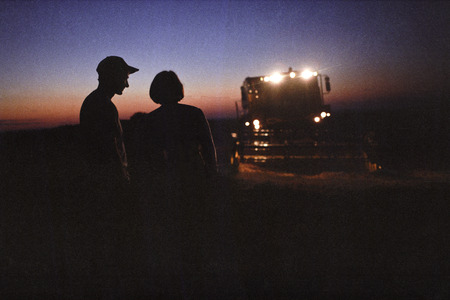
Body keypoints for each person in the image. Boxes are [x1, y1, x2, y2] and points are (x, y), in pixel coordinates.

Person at [133, 70, 218, 298]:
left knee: (174, 228)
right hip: (194, 174)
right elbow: (209, 149)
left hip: (167, 177)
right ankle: (198, 274)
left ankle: (179, 277)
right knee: (196, 225)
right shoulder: (194, 113)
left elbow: (146, 156)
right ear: (178, 89)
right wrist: (212, 176)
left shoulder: (151, 120)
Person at [76, 56, 139, 298]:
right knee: (112, 243)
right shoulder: (102, 105)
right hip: (107, 186)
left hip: (102, 183)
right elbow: (108, 149)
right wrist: (122, 183)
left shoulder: (97, 102)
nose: (127, 84)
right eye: (125, 78)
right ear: (114, 76)